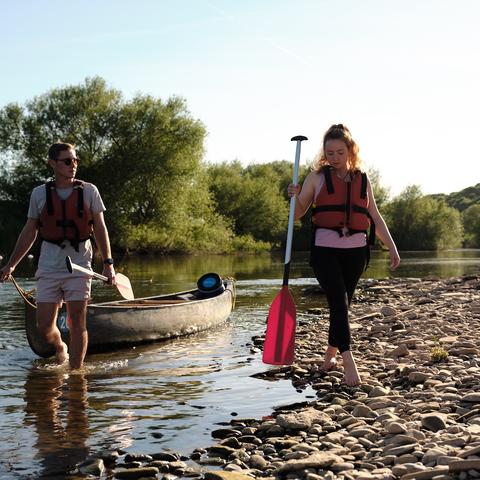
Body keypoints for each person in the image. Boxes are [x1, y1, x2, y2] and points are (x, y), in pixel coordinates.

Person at [288, 124, 400, 386]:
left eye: (340, 152)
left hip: (356, 253)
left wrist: (391, 246)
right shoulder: (316, 178)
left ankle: (329, 355)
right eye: (330, 152)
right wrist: (295, 198)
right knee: (338, 302)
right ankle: (349, 360)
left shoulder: (363, 178)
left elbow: (374, 216)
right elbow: (298, 214)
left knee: (343, 305)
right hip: (325, 252)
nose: (335, 157)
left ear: (350, 151)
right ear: (324, 153)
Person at [0, 142, 115, 369]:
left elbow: (101, 228)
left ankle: (76, 374)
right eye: (67, 161)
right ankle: (60, 347)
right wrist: (11, 265)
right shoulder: (39, 194)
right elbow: (29, 232)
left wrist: (108, 263)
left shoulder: (89, 191)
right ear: (53, 164)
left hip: (80, 262)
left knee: (77, 323)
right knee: (44, 326)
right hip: (49, 262)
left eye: (75, 161)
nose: (73, 165)